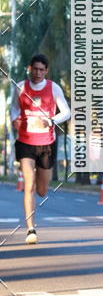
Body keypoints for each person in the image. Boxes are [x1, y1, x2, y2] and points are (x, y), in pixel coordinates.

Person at [10, 54, 71, 244]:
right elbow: (13, 108)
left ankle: (39, 177)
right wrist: (14, 120)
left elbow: (67, 112)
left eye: (41, 69)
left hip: (46, 143)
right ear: (29, 68)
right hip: (25, 141)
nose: (37, 72)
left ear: (46, 71)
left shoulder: (53, 88)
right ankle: (31, 229)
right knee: (29, 184)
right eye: (34, 69)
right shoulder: (20, 86)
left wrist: (51, 120)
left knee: (42, 190)